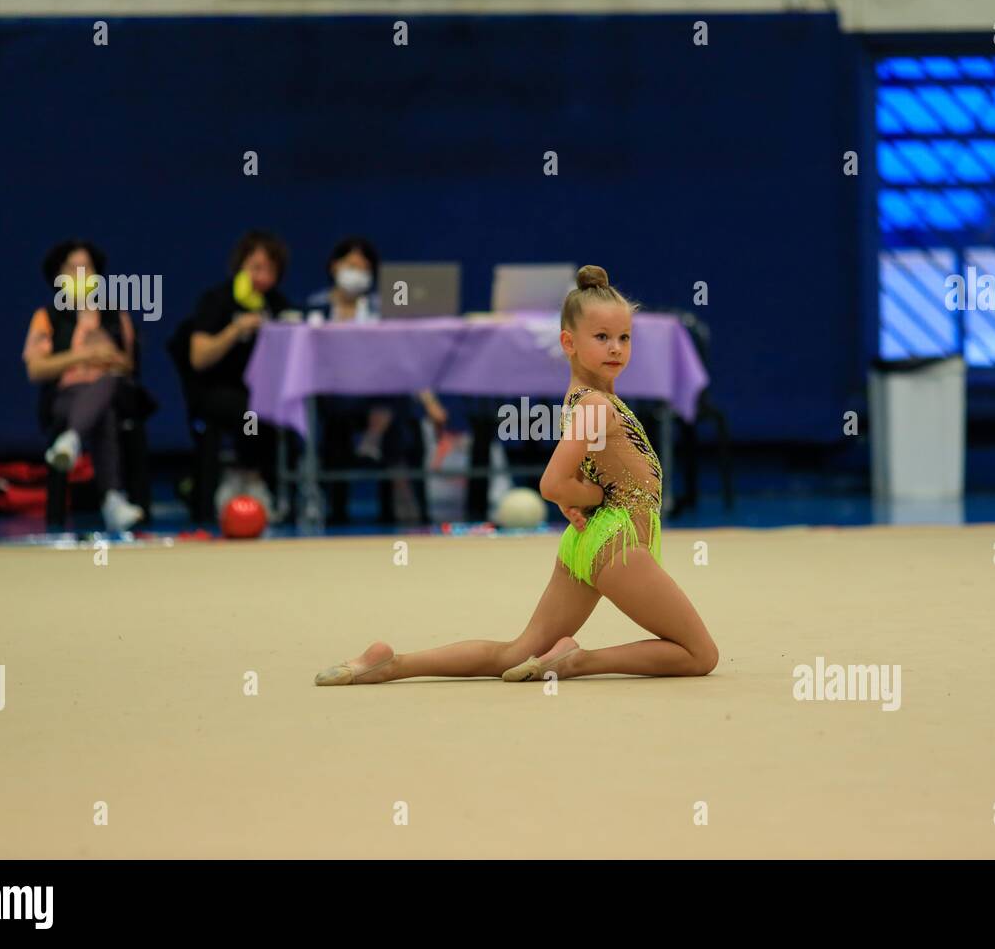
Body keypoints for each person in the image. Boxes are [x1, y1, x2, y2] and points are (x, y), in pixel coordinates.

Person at [314, 264, 718, 685]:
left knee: (516, 652)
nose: (615, 348)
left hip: (590, 541)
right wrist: (591, 497)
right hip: (617, 542)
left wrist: (575, 498)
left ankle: (392, 663)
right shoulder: (596, 405)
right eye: (601, 338)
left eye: (623, 338)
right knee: (699, 653)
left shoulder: (588, 400)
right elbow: (552, 482)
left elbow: (580, 472)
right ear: (569, 342)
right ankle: (577, 662)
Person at [309, 237, 447, 524]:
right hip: (336, 397)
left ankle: (389, 474)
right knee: (392, 411)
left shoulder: (380, 310)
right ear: (334, 266)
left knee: (396, 398)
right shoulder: (315, 310)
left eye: (365, 268)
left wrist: (431, 403)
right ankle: (394, 483)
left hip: (380, 394)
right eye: (351, 266)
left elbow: (405, 360)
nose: (358, 273)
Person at [22, 239, 145, 533]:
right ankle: (113, 500)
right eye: (73, 267)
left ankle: (72, 440)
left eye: (87, 267)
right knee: (104, 414)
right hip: (66, 395)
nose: (81, 273)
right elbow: (36, 369)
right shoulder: (46, 317)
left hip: (114, 390)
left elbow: (129, 366)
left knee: (109, 384)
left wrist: (108, 356)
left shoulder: (115, 315)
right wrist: (82, 356)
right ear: (58, 275)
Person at [187, 230, 292, 518]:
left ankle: (269, 486)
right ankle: (246, 476)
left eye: (270, 270)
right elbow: (198, 358)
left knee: (277, 408)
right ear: (240, 266)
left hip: (265, 393)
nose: (262, 276)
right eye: (256, 267)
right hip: (219, 391)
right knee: (250, 412)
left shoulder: (278, 305)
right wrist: (235, 330)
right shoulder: (216, 300)